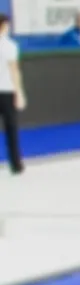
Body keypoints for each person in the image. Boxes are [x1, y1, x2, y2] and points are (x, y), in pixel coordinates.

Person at [0, 13, 22, 176]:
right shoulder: (10, 46)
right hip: (6, 91)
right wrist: (19, 92)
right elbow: (14, 70)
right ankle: (15, 164)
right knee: (11, 128)